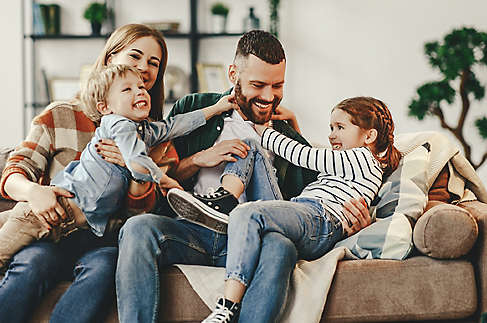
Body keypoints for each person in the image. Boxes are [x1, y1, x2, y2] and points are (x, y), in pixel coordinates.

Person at [114, 30, 373, 323]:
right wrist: (198, 160)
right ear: (233, 74)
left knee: (281, 245)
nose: (268, 96)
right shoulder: (195, 107)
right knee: (138, 229)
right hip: (193, 231)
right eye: (258, 84)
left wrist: (355, 224)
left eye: (277, 86)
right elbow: (160, 175)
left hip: (252, 240)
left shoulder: (285, 133)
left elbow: (309, 205)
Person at [0, 24, 169, 323]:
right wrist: (34, 192)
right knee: (31, 263)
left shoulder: (150, 135)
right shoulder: (60, 113)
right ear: (110, 58)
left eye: (153, 64)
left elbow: (139, 213)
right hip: (48, 231)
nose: (144, 68)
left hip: (100, 239)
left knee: (103, 269)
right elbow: (14, 173)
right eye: (135, 56)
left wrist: (135, 166)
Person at [0, 64, 235, 276]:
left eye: (142, 87)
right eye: (128, 89)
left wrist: (217, 108)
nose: (141, 92)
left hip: (58, 222)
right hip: (46, 213)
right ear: (105, 107)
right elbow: (137, 161)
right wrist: (168, 182)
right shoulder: (118, 125)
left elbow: (175, 125)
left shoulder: (142, 130)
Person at [196, 96, 401, 322]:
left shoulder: (362, 157)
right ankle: (224, 200)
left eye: (340, 127)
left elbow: (305, 156)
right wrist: (292, 124)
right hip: (301, 213)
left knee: (247, 212)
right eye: (331, 127)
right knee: (251, 150)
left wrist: (265, 131)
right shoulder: (348, 164)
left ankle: (226, 306)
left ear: (369, 136)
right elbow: (314, 165)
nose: (332, 135)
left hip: (320, 217)